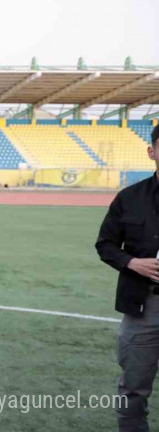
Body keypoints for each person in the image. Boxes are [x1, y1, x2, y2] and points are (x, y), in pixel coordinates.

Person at [96, 124, 159, 432]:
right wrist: (131, 262)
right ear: (152, 151)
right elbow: (105, 244)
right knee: (133, 390)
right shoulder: (129, 198)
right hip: (143, 306)